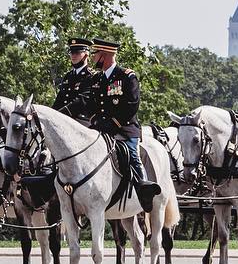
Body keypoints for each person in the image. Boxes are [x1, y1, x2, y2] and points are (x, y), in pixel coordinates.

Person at [87, 39, 161, 210]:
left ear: (104, 56)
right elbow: (90, 104)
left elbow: (131, 105)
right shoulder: (97, 79)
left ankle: (143, 188)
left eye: (95, 54)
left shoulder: (126, 76)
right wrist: (95, 120)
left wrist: (112, 124)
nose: (93, 58)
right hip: (100, 128)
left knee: (133, 157)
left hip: (124, 129)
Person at [54, 37, 99, 119]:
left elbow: (82, 101)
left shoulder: (92, 76)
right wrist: (51, 113)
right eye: (71, 53)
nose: (73, 56)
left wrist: (58, 115)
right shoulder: (68, 76)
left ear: (86, 54)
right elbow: (59, 101)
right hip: (63, 119)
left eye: (77, 53)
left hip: (82, 121)